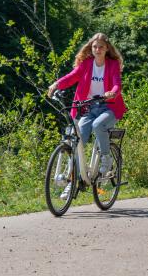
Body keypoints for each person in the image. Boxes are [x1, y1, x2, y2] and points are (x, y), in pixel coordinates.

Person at [47, 33, 126, 198]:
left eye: (101, 47)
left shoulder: (112, 65)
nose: (97, 50)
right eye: (95, 47)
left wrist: (112, 92)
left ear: (107, 49)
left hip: (109, 107)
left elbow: (117, 84)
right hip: (88, 108)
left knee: (98, 125)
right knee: (77, 140)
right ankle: (72, 181)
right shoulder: (86, 64)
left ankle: (106, 158)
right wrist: (56, 84)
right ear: (91, 48)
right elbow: (72, 77)